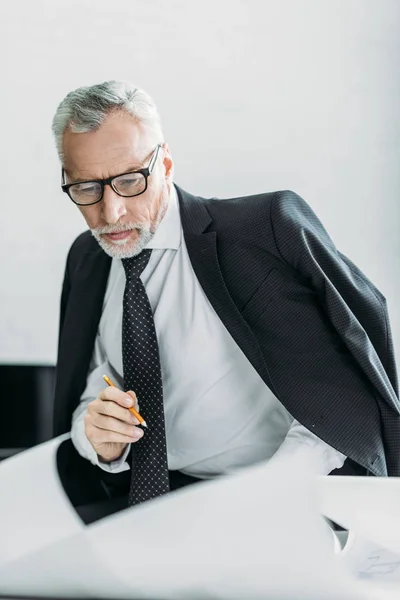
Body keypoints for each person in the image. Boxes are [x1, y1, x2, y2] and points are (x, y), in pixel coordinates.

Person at [51, 80, 399, 524]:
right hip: (153, 510)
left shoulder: (264, 231)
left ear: (167, 164)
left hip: (283, 503)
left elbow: (340, 391)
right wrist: (96, 438)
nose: (111, 212)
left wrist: (266, 500)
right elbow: (90, 392)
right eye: (86, 189)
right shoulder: (87, 258)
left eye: (129, 181)